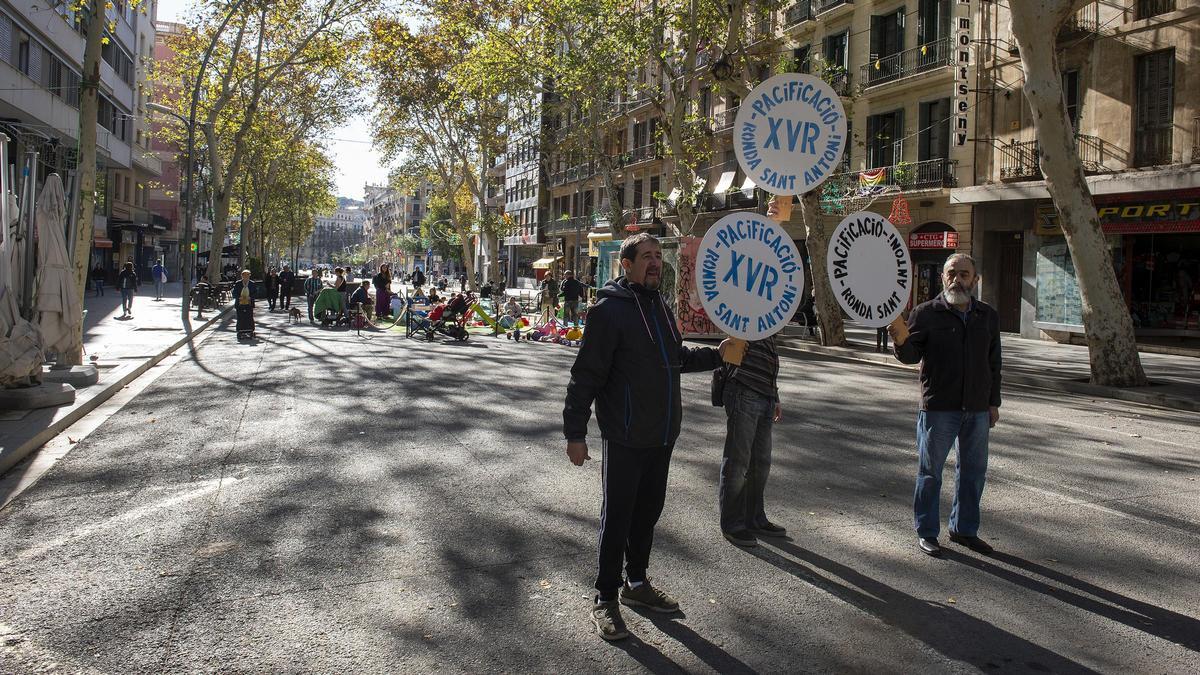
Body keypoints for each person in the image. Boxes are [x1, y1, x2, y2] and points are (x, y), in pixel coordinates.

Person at [562, 233, 724, 642]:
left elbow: (676, 359)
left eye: (657, 256)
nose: (655, 262)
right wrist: (575, 433)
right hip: (625, 435)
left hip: (662, 434)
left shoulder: (661, 308)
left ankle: (636, 585)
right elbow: (587, 375)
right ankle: (604, 597)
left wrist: (720, 354)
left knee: (647, 515)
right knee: (617, 519)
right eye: (646, 257)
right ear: (626, 264)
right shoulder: (608, 311)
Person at [889, 253, 1001, 558]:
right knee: (930, 473)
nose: (957, 279)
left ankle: (964, 530)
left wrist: (993, 403)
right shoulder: (926, 314)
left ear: (975, 280)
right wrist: (899, 336)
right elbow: (911, 355)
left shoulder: (987, 316)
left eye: (964, 274)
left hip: (977, 408)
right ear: (942, 277)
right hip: (939, 408)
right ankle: (927, 532)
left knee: (974, 472)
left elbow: (994, 363)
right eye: (951, 273)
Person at [717, 336, 785, 547]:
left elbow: (769, 356)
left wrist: (775, 395)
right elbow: (732, 350)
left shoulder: (768, 317)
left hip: (765, 394)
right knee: (738, 462)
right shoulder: (747, 311)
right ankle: (732, 523)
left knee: (761, 463)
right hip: (744, 388)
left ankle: (754, 517)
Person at [231, 269, 258, 339]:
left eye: (247, 275)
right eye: (244, 275)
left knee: (249, 316)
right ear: (242, 276)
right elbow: (234, 293)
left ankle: (250, 329)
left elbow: (255, 293)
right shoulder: (238, 283)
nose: (246, 276)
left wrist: (251, 297)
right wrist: (238, 297)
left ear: (249, 276)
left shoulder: (252, 283)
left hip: (249, 303)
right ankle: (240, 330)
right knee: (240, 317)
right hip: (240, 303)